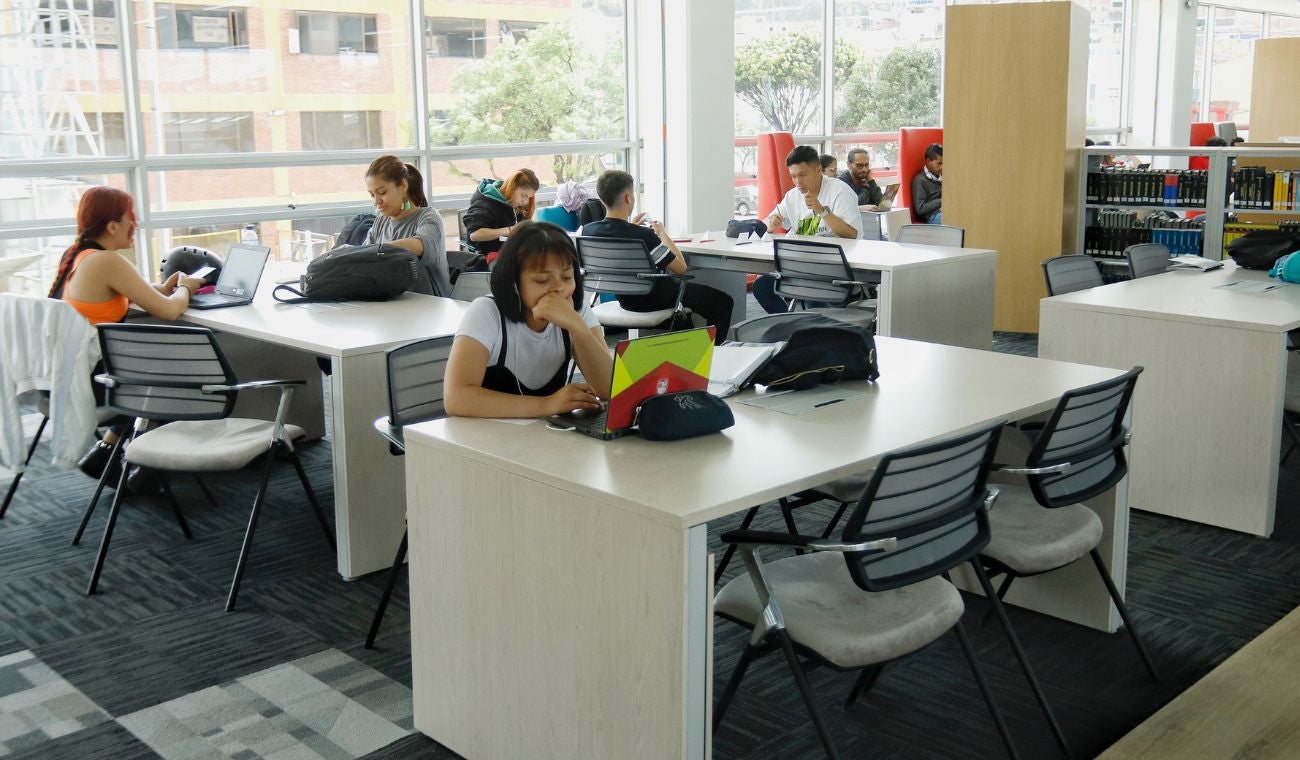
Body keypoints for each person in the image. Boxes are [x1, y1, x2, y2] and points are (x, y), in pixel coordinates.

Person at [48, 186, 206, 489]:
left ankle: (109, 450)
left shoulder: (80, 256)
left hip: (73, 376)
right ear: (112, 225)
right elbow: (170, 312)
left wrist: (165, 287)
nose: (134, 227)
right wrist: (186, 288)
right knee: (176, 372)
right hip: (97, 384)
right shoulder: (107, 262)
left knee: (153, 367)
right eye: (130, 220)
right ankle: (146, 462)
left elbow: (132, 294)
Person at [444, 222, 613, 418]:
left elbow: (610, 389)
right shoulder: (487, 313)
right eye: (542, 280)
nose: (559, 288)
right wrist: (548, 405)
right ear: (514, 282)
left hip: (545, 440)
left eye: (567, 277)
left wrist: (578, 327)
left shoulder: (577, 312)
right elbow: (456, 398)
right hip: (485, 439)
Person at [581, 170, 734, 345]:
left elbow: (616, 232)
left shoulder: (589, 231)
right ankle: (712, 355)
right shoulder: (644, 235)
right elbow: (680, 268)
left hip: (624, 299)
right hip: (655, 298)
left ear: (602, 199)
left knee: (684, 317)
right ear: (628, 198)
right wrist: (662, 233)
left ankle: (688, 349)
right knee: (723, 302)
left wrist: (629, 227)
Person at [754, 145, 860, 314]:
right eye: (793, 176)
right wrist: (772, 223)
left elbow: (851, 234)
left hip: (832, 267)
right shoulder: (793, 195)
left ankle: (815, 328)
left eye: (803, 175)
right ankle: (791, 325)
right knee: (761, 286)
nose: (798, 182)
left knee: (810, 293)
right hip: (799, 264)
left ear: (818, 170)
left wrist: (822, 211)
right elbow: (769, 220)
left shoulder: (840, 191)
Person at [364, 155, 450, 297]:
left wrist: (377, 249)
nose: (376, 201)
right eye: (372, 195)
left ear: (403, 186)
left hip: (431, 309)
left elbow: (420, 245)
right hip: (391, 306)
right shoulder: (380, 222)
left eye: (382, 192)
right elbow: (364, 258)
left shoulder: (428, 216)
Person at [464, 168, 539, 265]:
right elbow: (474, 235)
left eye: (529, 197)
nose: (525, 201)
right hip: (489, 256)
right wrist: (510, 230)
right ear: (512, 186)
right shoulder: (484, 204)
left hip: (511, 251)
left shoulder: (514, 203)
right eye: (523, 195)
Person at [912, 143, 943, 224]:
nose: (942, 167)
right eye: (939, 163)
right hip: (933, 216)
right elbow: (920, 209)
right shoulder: (920, 180)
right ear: (928, 162)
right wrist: (943, 201)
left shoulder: (944, 176)